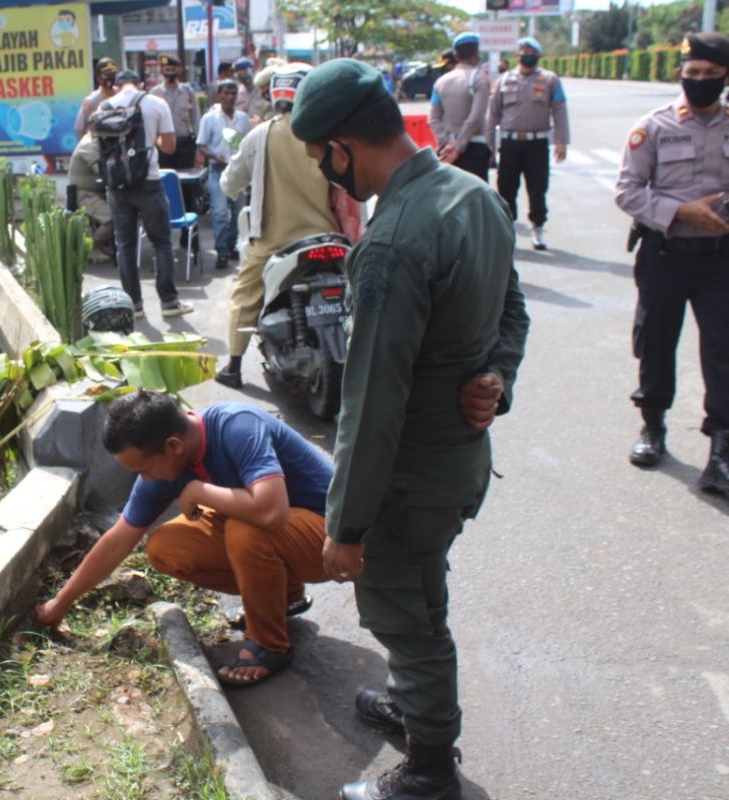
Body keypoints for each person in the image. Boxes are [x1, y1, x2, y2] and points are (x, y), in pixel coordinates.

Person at [291, 59, 529, 800]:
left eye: (322, 162)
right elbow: (511, 312)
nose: (330, 179)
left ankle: (428, 768)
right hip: (457, 465)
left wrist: (346, 523)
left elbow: (371, 399)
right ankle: (411, 702)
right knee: (421, 594)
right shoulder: (473, 197)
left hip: (408, 481)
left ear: (341, 146)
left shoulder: (392, 241)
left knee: (407, 614)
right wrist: (498, 377)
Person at [34, 390, 337, 685]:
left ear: (173, 445)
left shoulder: (237, 426)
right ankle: (284, 597)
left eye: (144, 469)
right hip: (283, 534)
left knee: (245, 530)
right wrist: (60, 603)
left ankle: (269, 645)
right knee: (166, 548)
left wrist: (197, 491)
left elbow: (271, 512)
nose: (145, 479)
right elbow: (118, 541)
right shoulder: (165, 464)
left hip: (332, 539)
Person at [613, 31, 729, 494]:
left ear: (724, 77)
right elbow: (627, 190)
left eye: (710, 75)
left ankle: (721, 446)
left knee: (723, 351)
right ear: (681, 72)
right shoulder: (653, 127)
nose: (699, 81)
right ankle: (653, 426)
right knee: (656, 340)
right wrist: (682, 211)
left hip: (721, 260)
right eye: (692, 73)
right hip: (664, 254)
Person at [215, 63, 351, 389]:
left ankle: (233, 366)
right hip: (327, 236)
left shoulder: (260, 135)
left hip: (274, 241)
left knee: (244, 295)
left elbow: (229, 183)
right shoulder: (325, 133)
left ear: (277, 95)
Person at [99, 70, 194, 318]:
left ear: (117, 86)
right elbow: (170, 147)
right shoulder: (155, 103)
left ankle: (134, 306)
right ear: (140, 84)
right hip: (148, 181)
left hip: (117, 185)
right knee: (161, 242)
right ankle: (169, 303)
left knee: (125, 245)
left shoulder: (105, 106)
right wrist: (152, 142)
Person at [488, 36, 570, 251]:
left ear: (538, 56)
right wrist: (489, 145)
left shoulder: (550, 80)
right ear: (517, 55)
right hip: (510, 143)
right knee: (506, 187)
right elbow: (493, 114)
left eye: (532, 53)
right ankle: (508, 229)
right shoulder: (504, 80)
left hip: (537, 143)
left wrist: (561, 141)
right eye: (524, 52)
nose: (528, 56)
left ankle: (538, 228)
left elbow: (560, 111)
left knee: (538, 187)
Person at [197, 80, 252, 270]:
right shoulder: (209, 118)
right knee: (220, 213)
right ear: (218, 95)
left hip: (239, 170)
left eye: (233, 93)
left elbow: (247, 143)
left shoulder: (243, 119)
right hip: (217, 170)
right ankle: (221, 251)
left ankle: (231, 246)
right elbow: (201, 145)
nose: (230, 97)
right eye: (226, 93)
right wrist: (214, 156)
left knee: (238, 213)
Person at [429, 31, 491, 182]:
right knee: (476, 201)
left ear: (456, 55)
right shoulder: (479, 79)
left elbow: (433, 119)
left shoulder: (441, 82)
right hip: (474, 147)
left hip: (447, 151)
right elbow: (475, 118)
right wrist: (459, 146)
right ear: (476, 53)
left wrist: (447, 144)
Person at [66, 131, 114, 262]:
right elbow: (105, 171)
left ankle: (101, 245)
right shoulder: (88, 146)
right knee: (112, 218)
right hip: (84, 195)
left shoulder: (93, 141)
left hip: (95, 193)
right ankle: (89, 247)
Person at [151, 55, 200, 170]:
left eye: (173, 69)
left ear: (179, 70)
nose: (170, 73)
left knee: (187, 180)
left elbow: (196, 119)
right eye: (167, 70)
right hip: (163, 144)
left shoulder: (187, 91)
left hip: (184, 142)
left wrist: (199, 146)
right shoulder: (154, 93)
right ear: (161, 71)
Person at [74, 57, 119, 137]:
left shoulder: (121, 95)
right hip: (100, 145)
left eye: (112, 74)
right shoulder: (90, 101)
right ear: (98, 78)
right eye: (106, 74)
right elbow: (79, 128)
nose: (110, 78)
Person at [233, 56, 267, 120]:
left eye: (244, 70)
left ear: (252, 70)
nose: (241, 73)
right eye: (238, 71)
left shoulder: (262, 89)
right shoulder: (237, 92)